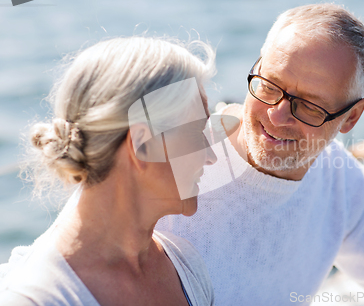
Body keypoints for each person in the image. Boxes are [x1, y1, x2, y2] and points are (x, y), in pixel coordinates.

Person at [1, 4, 364, 306]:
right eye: (269, 87)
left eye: (309, 106)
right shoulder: (162, 173)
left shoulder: (183, 269)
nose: (277, 116)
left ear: (351, 119)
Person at [0, 36, 218, 306]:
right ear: (143, 145)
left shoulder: (185, 267)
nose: (211, 156)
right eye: (197, 132)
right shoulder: (35, 299)